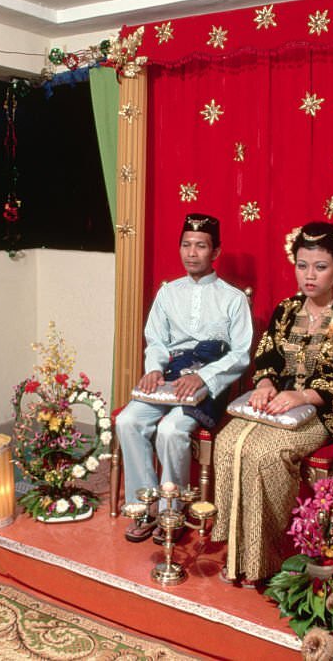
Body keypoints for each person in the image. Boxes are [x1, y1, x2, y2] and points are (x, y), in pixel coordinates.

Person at [212, 221, 333, 585]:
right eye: (302, 265)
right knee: (227, 443)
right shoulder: (286, 310)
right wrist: (266, 383)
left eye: (320, 267)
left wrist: (302, 395)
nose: (309, 275)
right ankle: (238, 550)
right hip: (277, 404)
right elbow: (266, 356)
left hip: (325, 413)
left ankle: (265, 557)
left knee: (265, 454)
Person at [117, 213, 252, 543]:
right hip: (169, 377)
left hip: (211, 384)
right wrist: (153, 369)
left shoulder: (233, 298)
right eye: (186, 245)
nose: (192, 253)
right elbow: (157, 340)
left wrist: (204, 378)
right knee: (129, 421)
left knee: (171, 429)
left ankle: (170, 511)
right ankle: (143, 505)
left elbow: (241, 354)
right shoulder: (168, 293)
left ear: (215, 252)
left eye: (201, 246)